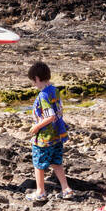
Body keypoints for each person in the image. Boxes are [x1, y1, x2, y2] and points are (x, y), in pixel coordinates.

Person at [26, 61, 74, 200]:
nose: (33, 84)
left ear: (36, 78)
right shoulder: (55, 90)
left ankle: (40, 191)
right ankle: (66, 189)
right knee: (56, 162)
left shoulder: (43, 95)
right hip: (57, 135)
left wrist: (37, 126)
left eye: (33, 81)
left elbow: (51, 116)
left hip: (45, 138)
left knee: (38, 164)